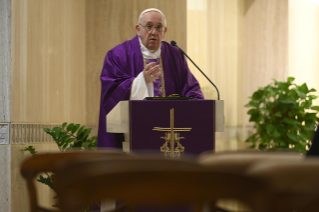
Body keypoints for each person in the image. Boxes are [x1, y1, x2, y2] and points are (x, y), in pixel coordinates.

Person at [97, 8, 204, 148]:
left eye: (159, 27)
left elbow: (190, 88)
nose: (153, 32)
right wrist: (140, 81)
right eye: (148, 26)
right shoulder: (118, 55)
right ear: (138, 29)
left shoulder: (175, 55)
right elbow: (110, 90)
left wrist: (197, 106)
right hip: (133, 133)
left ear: (164, 32)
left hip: (170, 132)